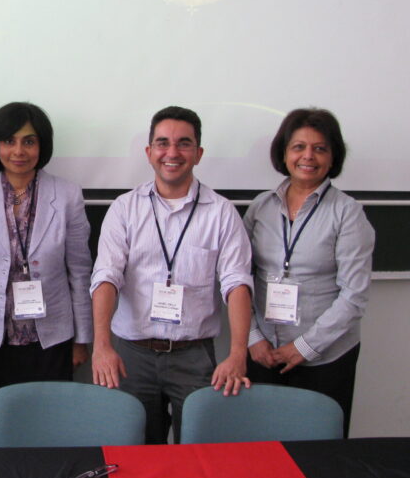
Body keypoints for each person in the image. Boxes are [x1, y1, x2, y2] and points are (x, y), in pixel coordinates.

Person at [90, 106, 253, 444]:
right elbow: (107, 276)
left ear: (198, 153)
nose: (172, 152)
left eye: (184, 143)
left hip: (194, 357)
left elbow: (237, 284)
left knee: (200, 450)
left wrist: (238, 354)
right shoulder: (125, 208)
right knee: (135, 452)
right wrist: (102, 345)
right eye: (162, 143)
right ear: (149, 152)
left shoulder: (222, 213)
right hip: (130, 354)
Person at [0, 102, 93, 447]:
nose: (19, 151)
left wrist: (82, 338)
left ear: (42, 145)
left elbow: (79, 270)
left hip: (49, 341)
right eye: (9, 140)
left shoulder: (67, 195)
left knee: (45, 433)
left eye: (29, 141)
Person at [244, 108, 374, 436]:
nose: (308, 156)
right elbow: (239, 278)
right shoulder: (261, 207)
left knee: (319, 453)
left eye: (320, 148)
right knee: (261, 446)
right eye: (298, 146)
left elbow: (354, 296)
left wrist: (302, 347)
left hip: (325, 358)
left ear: (333, 157)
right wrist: (253, 338)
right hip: (263, 354)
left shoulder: (347, 213)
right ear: (284, 153)